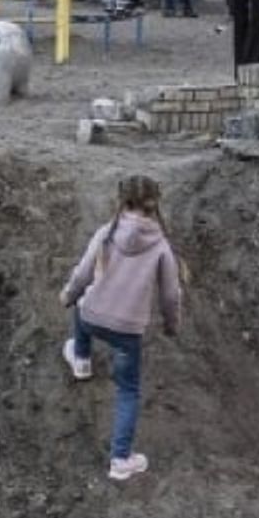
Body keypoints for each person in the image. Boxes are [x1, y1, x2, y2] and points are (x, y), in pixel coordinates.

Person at [59, 174, 184, 483]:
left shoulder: (106, 232)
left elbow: (83, 273)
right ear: (155, 206)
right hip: (127, 331)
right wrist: (172, 325)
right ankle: (120, 460)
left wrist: (68, 295)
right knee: (127, 391)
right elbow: (171, 295)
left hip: (91, 316)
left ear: (121, 201)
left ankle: (81, 358)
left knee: (82, 304)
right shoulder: (161, 247)